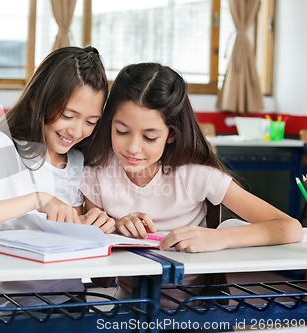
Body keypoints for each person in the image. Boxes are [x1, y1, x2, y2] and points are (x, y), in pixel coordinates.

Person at [80, 62, 303, 305]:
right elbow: (100, 278)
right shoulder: (97, 173)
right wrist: (111, 229)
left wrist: (217, 238)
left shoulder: (195, 174)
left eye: (150, 137)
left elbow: (288, 228)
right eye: (122, 131)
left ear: (171, 134)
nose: (133, 148)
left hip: (198, 311)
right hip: (130, 310)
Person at [0, 46, 111, 308]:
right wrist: (36, 199)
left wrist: (95, 226)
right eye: (68, 115)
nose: (76, 130)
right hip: (1, 311)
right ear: (37, 102)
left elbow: (91, 267)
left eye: (91, 121)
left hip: (67, 307)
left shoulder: (76, 162)